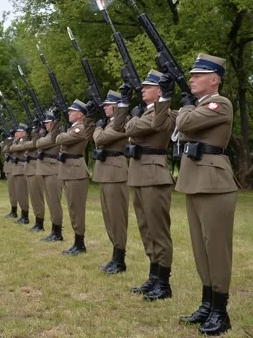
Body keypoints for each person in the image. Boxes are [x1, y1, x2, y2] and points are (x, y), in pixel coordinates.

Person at [165, 54, 238, 335]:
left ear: (214, 79)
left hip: (214, 183)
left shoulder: (220, 104)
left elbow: (184, 125)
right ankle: (207, 304)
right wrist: (187, 110)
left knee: (216, 249)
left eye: (198, 75)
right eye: (191, 75)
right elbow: (182, 131)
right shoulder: (199, 107)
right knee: (201, 248)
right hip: (194, 180)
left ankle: (221, 311)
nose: (192, 78)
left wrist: (184, 109)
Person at [113, 70, 175, 301]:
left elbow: (135, 128)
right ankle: (153, 276)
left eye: (148, 86)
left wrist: (134, 120)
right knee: (145, 229)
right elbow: (121, 126)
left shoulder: (166, 114)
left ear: (160, 91)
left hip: (154, 174)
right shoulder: (145, 113)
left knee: (158, 230)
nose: (143, 89)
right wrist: (124, 103)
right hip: (138, 173)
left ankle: (164, 282)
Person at [92, 90, 129, 274]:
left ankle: (120, 259)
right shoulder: (111, 123)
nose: (105, 108)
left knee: (117, 218)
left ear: (116, 106)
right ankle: (115, 256)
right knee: (108, 217)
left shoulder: (121, 123)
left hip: (115, 173)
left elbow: (99, 139)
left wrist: (97, 128)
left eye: (108, 105)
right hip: (106, 172)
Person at [55, 99, 95, 255]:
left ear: (80, 115)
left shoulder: (81, 128)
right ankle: (77, 242)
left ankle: (80, 243)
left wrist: (63, 135)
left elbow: (59, 139)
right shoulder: (73, 128)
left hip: (76, 171)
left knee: (76, 208)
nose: (69, 113)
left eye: (72, 111)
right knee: (72, 207)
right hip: (68, 170)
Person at [35, 110, 64, 242]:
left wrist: (41, 138)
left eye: (48, 122)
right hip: (48, 170)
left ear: (54, 123)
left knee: (54, 203)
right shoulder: (50, 134)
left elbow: (39, 143)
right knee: (51, 202)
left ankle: (57, 232)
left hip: (53, 171)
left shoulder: (55, 134)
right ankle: (54, 230)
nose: (45, 125)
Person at [8, 125, 31, 224]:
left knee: (22, 194)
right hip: (16, 169)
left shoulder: (25, 141)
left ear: (24, 133)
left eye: (18, 132)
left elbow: (16, 148)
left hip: (21, 169)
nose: (16, 134)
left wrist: (13, 146)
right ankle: (22, 215)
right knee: (18, 193)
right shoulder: (17, 141)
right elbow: (7, 148)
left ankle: (25, 216)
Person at [0, 135, 18, 218]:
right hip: (9, 167)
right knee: (11, 191)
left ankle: (16, 211)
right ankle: (13, 210)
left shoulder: (16, 141)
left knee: (15, 191)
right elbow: (3, 150)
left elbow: (8, 149)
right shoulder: (11, 141)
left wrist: (10, 141)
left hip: (13, 167)